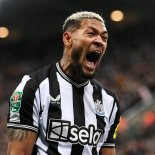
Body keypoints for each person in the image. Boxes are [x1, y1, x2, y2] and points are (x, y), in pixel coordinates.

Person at [7, 11, 120, 155]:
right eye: (91, 34)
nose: (100, 41)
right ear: (68, 39)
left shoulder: (109, 101)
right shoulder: (33, 87)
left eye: (104, 37)